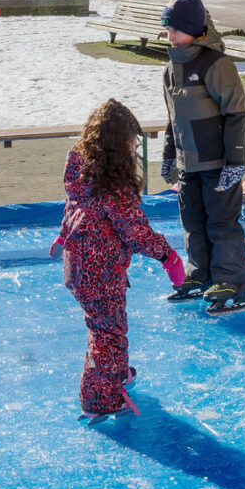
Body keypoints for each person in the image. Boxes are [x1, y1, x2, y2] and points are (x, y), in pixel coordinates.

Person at [53, 99, 185, 421]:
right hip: (100, 270)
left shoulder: (82, 170)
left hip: (77, 267)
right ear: (118, 143)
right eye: (130, 141)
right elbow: (135, 231)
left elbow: (73, 209)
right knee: (109, 334)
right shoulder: (114, 186)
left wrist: (62, 236)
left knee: (101, 325)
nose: (132, 147)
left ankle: (117, 374)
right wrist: (168, 256)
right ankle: (100, 398)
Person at [159, 0, 245, 315]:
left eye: (175, 29)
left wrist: (235, 162)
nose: (169, 36)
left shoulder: (216, 64)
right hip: (189, 164)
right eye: (167, 29)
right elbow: (173, 118)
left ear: (195, 30)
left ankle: (232, 281)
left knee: (221, 223)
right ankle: (200, 275)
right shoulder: (170, 70)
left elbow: (236, 113)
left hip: (217, 162)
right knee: (193, 223)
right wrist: (170, 155)